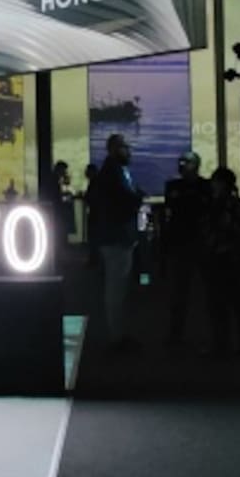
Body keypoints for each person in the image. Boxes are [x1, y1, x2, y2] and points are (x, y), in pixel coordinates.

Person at [94, 134, 145, 350]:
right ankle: (117, 336)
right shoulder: (114, 173)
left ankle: (117, 333)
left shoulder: (110, 172)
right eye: (125, 147)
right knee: (116, 288)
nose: (129, 151)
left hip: (114, 236)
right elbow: (125, 200)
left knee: (116, 287)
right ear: (115, 149)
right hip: (118, 237)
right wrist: (138, 197)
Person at [201, 168, 240, 356]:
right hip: (231, 258)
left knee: (220, 304)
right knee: (237, 303)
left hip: (222, 257)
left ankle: (221, 344)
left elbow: (218, 230)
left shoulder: (221, 205)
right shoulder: (235, 204)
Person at [162, 151, 211, 345]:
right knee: (179, 291)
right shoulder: (181, 186)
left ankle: (207, 332)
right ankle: (176, 334)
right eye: (181, 163)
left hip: (197, 241)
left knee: (203, 289)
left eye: (186, 163)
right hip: (183, 243)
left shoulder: (200, 186)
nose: (182, 166)